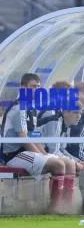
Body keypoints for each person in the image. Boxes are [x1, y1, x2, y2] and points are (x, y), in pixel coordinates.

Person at [0, 73, 69, 212]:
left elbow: (33, 136)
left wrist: (45, 154)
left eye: (38, 86)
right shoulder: (19, 108)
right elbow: (24, 139)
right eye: (33, 87)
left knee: (68, 164)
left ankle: (66, 205)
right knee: (58, 165)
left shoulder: (31, 108)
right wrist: (43, 156)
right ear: (23, 88)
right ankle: (54, 209)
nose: (37, 90)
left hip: (26, 153)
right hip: (14, 155)